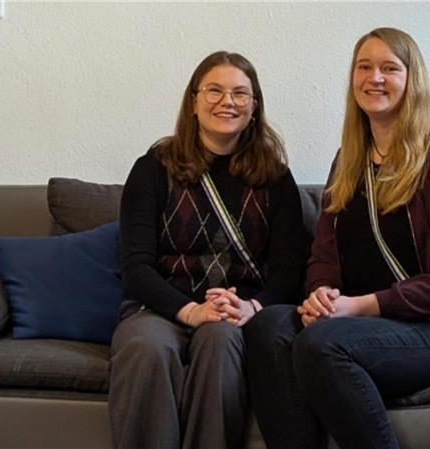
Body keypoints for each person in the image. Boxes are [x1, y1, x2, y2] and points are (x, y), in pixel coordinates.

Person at [244, 27, 430, 449]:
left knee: (320, 345)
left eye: (389, 68)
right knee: (269, 325)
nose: (374, 78)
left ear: (411, 79)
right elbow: (324, 254)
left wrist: (359, 306)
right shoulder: (349, 161)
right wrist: (321, 296)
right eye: (364, 67)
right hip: (353, 319)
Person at [109, 51, 308, 449]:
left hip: (234, 314)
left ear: (254, 107)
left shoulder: (275, 177)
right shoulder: (153, 167)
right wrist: (190, 310)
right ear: (194, 101)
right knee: (146, 348)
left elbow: (289, 270)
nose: (227, 102)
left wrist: (251, 307)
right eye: (214, 90)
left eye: (240, 93)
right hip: (159, 308)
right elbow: (136, 267)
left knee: (219, 344)